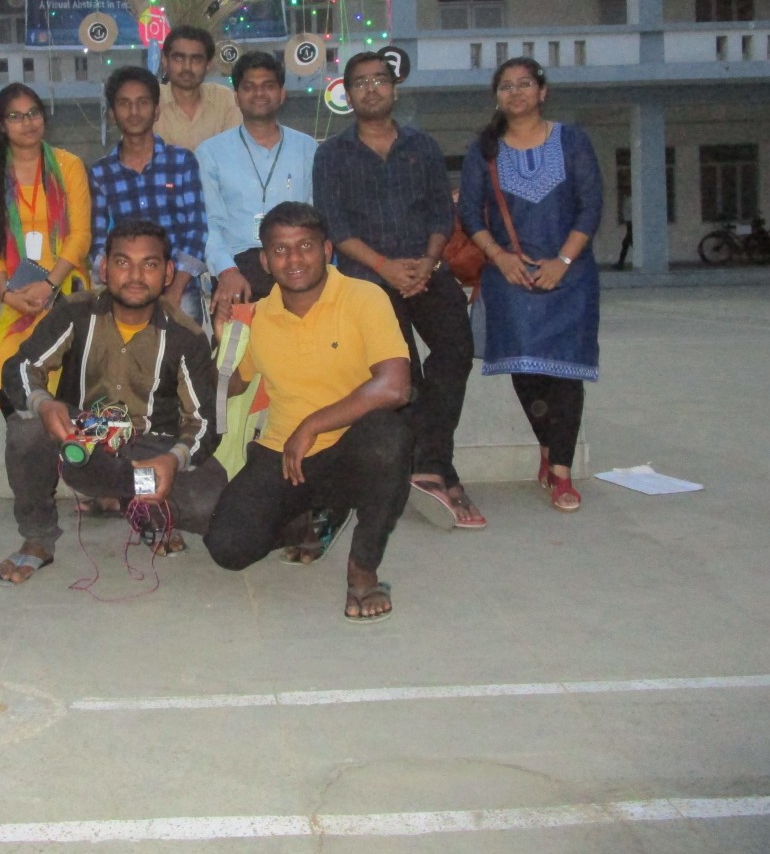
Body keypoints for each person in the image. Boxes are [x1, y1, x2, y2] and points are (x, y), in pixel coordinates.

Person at [204, 203, 414, 624]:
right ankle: (314, 517)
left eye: (305, 246)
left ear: (327, 250)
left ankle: (363, 571)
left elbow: (395, 386)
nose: (294, 259)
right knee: (228, 549)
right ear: (265, 261)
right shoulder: (259, 315)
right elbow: (232, 388)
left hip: (352, 447)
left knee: (389, 437)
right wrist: (224, 341)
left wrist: (312, 425)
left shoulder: (364, 297)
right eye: (280, 250)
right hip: (284, 454)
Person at [0, 219, 225, 585]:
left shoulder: (186, 336)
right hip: (84, 448)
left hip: (148, 454)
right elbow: (21, 367)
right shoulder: (77, 312)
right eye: (122, 262)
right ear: (104, 268)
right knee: (27, 428)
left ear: (167, 273)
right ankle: (38, 538)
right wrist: (44, 404)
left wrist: (174, 458)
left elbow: (205, 422)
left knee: (206, 501)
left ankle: (134, 503)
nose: (135, 276)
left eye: (149, 264)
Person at [313, 51, 482, 529]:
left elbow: (440, 213)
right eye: (360, 82)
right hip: (369, 281)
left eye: (379, 80)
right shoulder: (332, 155)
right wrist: (386, 267)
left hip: (427, 270)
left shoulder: (422, 146)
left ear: (394, 87)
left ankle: (429, 465)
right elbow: (334, 226)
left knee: (455, 351)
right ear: (347, 95)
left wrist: (427, 262)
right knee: (403, 373)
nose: (371, 89)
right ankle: (437, 470)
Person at [458, 57, 602, 512]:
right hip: (511, 277)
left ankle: (560, 471)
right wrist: (500, 257)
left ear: (543, 91)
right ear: (496, 97)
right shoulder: (484, 150)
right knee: (527, 370)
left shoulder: (572, 140)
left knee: (566, 371)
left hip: (570, 276)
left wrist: (563, 260)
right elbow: (469, 213)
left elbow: (591, 206)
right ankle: (547, 447)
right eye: (506, 86)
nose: (515, 92)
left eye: (524, 84)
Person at [0, 83, 91, 414]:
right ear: (1, 125)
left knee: (58, 363)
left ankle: (58, 436)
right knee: (8, 357)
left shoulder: (68, 166)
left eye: (33, 113)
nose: (27, 123)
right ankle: (22, 436)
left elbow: (81, 236)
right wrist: (8, 294)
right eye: (15, 116)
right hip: (13, 291)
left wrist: (49, 284)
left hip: (64, 284)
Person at [195, 51, 317, 324]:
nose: (259, 93)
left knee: (302, 346)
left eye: (268, 85)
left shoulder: (308, 149)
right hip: (238, 268)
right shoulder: (211, 153)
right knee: (235, 348)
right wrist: (226, 271)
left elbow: (317, 219)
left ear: (282, 94)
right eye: (249, 87)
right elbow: (208, 222)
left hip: (295, 263)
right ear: (237, 97)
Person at [89, 66, 208, 326]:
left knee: (181, 352)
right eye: (124, 104)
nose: (134, 112)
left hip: (181, 292)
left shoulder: (181, 162)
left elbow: (197, 230)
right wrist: (123, 285)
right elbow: (98, 242)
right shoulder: (101, 173)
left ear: (156, 111)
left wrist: (175, 289)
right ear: (112, 114)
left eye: (142, 103)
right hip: (126, 294)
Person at [153, 25, 240, 151]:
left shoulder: (223, 98)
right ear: (165, 60)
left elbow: (233, 152)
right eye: (179, 58)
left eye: (196, 60)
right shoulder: (151, 99)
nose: (187, 67)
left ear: (208, 64)